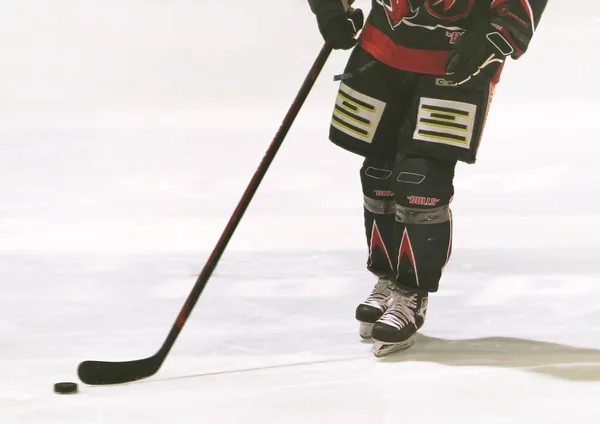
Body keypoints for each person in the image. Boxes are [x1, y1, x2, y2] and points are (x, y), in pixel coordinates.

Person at [307, 0, 547, 357]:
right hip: (381, 50)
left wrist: (491, 38)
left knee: (421, 177)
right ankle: (387, 278)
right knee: (379, 173)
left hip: (456, 63)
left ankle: (410, 292)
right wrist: (331, 10)